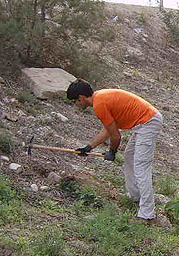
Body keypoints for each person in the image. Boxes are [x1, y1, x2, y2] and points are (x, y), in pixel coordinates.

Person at [67, 79, 163, 223]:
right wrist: (88, 147)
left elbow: (116, 136)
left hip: (148, 122)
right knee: (129, 157)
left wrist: (112, 151)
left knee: (141, 167)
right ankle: (135, 196)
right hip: (144, 123)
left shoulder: (99, 104)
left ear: (81, 98)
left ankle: (146, 214)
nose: (76, 104)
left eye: (75, 101)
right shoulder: (100, 98)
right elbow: (108, 129)